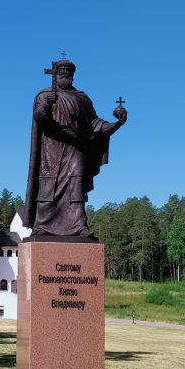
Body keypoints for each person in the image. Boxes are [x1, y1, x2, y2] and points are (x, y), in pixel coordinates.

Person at [22, 57, 127, 238]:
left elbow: (95, 123)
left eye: (69, 73)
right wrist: (46, 104)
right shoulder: (43, 95)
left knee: (76, 185)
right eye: (62, 72)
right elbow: (39, 118)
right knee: (48, 186)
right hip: (52, 149)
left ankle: (79, 225)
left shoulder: (82, 99)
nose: (66, 75)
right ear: (55, 74)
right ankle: (42, 225)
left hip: (76, 148)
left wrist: (117, 124)